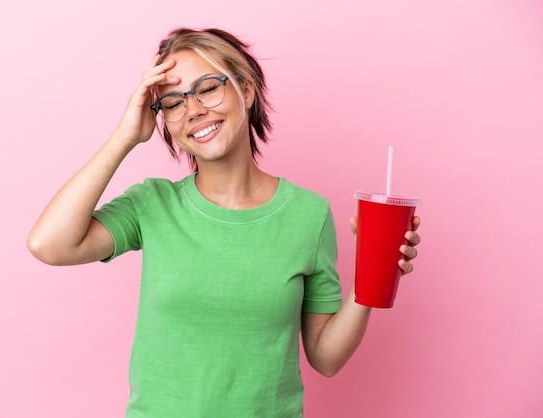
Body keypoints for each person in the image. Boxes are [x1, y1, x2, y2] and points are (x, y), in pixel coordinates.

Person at [27, 27, 421, 418]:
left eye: (208, 88)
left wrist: (373, 277)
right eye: (172, 102)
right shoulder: (152, 204)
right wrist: (125, 135)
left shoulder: (309, 214)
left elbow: (326, 359)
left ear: (246, 91)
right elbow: (50, 244)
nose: (193, 109)